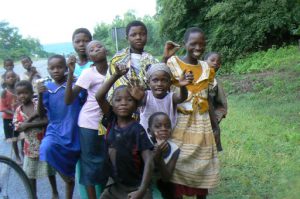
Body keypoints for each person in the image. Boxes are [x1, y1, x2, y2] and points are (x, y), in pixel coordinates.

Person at [165, 27, 220, 199]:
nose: (198, 47)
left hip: (202, 123)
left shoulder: (206, 68)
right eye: (193, 43)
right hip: (180, 122)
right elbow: (162, 88)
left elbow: (208, 99)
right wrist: (165, 57)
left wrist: (215, 126)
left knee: (202, 165)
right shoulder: (173, 64)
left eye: (202, 44)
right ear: (185, 44)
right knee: (178, 162)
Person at [95, 62, 153, 199]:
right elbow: (99, 96)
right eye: (118, 100)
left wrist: (142, 190)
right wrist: (115, 75)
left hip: (136, 187)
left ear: (136, 105)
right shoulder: (111, 120)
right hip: (115, 186)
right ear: (112, 105)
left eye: (129, 100)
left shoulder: (137, 129)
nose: (123, 103)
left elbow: (149, 160)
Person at [65, 40, 109, 199]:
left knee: (105, 162)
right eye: (92, 49)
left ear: (106, 50)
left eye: (99, 46)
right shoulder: (88, 73)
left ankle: (104, 195)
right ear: (89, 56)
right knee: (90, 163)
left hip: (107, 123)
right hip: (89, 123)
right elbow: (69, 99)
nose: (96, 49)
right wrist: (70, 74)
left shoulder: (115, 69)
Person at [37, 55, 81, 199]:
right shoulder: (47, 88)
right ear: (48, 70)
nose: (56, 70)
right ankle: (67, 178)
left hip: (75, 128)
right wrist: (39, 94)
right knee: (45, 148)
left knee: (79, 162)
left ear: (66, 68)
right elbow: (41, 113)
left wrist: (72, 78)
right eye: (52, 68)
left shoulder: (75, 84)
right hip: (55, 129)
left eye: (60, 67)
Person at [13, 80, 58, 199]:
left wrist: (27, 125)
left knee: (50, 171)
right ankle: (33, 195)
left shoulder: (37, 103)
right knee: (30, 173)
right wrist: (22, 126)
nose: (22, 96)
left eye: (25, 93)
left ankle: (55, 192)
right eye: (19, 93)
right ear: (16, 95)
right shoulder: (18, 110)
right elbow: (17, 127)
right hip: (29, 148)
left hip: (44, 144)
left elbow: (46, 120)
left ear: (31, 92)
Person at [71, 27, 98, 199]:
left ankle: (100, 192)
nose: (82, 44)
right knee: (82, 157)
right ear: (73, 44)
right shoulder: (70, 67)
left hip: (94, 117)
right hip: (75, 117)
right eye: (78, 41)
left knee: (96, 157)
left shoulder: (96, 63)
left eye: (86, 40)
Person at [139, 62, 193, 133]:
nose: (159, 84)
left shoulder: (171, 97)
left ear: (170, 84)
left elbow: (182, 97)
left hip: (166, 136)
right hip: (146, 137)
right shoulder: (146, 96)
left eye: (164, 80)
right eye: (155, 80)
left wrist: (182, 86)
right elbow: (137, 103)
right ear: (149, 83)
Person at [108, 20, 158, 94]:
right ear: (127, 38)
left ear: (147, 37)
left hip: (147, 101)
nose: (138, 37)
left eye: (142, 34)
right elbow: (113, 85)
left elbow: (158, 79)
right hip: (124, 101)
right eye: (133, 35)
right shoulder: (118, 59)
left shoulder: (152, 60)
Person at [148, 112, 180, 199]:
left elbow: (166, 177)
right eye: (158, 126)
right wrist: (155, 155)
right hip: (145, 184)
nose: (164, 129)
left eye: (167, 126)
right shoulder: (146, 144)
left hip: (163, 184)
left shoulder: (175, 149)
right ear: (149, 131)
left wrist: (160, 157)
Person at [204, 52, 228, 151]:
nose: (215, 63)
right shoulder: (194, 78)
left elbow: (222, 105)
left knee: (209, 146)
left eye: (218, 62)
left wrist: (215, 120)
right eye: (212, 60)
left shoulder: (216, 83)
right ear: (204, 62)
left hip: (210, 119)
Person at [0, 70, 23, 164]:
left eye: (13, 76)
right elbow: (2, 108)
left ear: (16, 77)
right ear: (5, 80)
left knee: (22, 136)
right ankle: (17, 156)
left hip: (20, 117)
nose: (11, 79)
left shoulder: (19, 90)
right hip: (9, 119)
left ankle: (23, 152)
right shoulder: (4, 93)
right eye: (8, 77)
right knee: (14, 139)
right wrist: (14, 113)